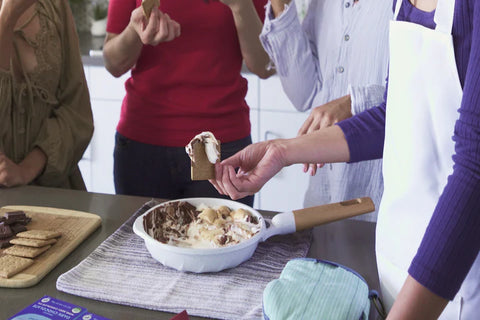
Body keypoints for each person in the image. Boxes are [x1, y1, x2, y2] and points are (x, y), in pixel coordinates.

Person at [210, 0, 480, 318]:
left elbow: (474, 170)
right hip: (396, 263)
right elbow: (393, 116)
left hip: (451, 285)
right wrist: (282, 152)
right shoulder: (400, 4)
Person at [102, 0, 274, 206]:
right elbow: (113, 63)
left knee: (217, 234)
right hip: (145, 141)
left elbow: (265, 65)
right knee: (139, 237)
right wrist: (134, 30)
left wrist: (240, 5)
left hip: (214, 145)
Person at [258, 0, 392, 221]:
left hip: (379, 205)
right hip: (321, 200)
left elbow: (424, 92)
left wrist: (353, 103)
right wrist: (279, 5)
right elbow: (305, 94)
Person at [0, 0, 93, 189]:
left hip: (55, 192)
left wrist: (26, 169)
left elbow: (77, 111)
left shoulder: (55, 5)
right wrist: (7, 17)